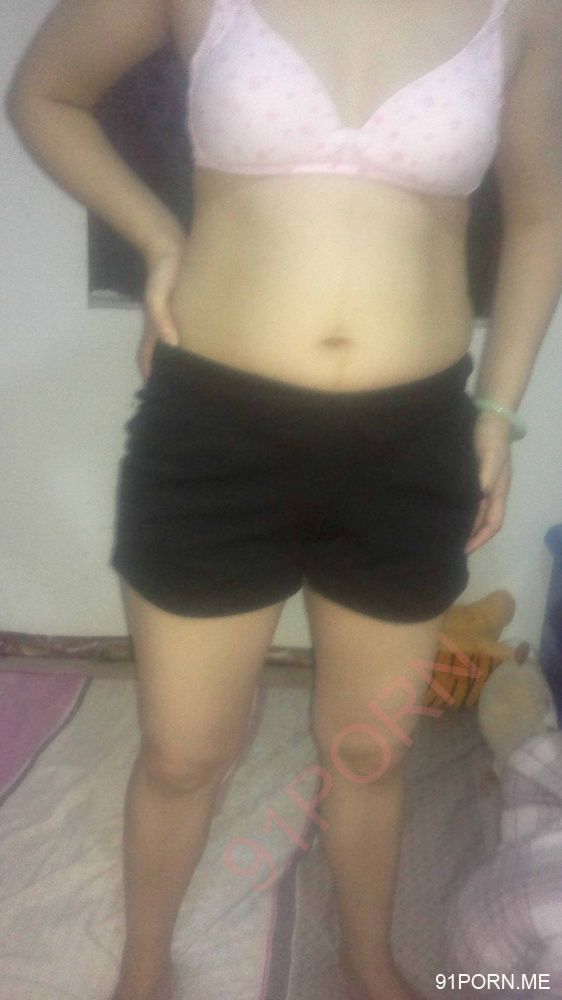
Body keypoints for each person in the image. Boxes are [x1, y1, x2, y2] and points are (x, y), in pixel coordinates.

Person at [5, 0, 562, 998]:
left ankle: (365, 960)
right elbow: (45, 93)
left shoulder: (526, 11)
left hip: (411, 443)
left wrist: (497, 411)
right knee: (182, 754)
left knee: (369, 752)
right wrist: (158, 237)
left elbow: (539, 214)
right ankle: (143, 964)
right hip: (214, 432)